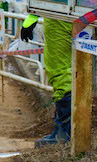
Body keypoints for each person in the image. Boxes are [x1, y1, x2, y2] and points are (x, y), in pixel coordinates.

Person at [21, 16, 72, 147]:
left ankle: (64, 132)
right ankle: (64, 129)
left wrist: (31, 19)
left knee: (60, 70)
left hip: (62, 17)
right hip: (75, 15)